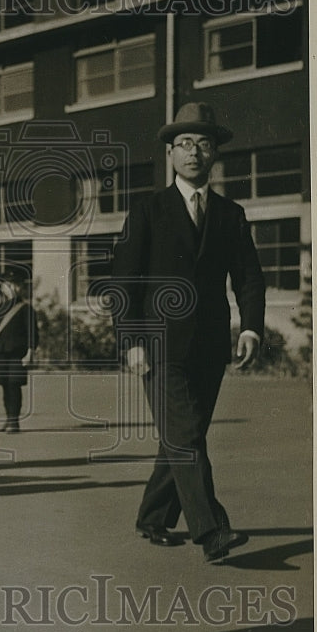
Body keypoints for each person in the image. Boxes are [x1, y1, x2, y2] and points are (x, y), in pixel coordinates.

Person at [110, 102, 265, 563]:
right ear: (171, 153)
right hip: (158, 346)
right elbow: (123, 284)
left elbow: (249, 276)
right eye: (184, 144)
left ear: (215, 153)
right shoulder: (148, 210)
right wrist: (132, 340)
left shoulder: (230, 214)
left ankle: (154, 517)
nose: (193, 152)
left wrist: (252, 328)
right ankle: (212, 530)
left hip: (210, 345)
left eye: (203, 143)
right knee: (184, 434)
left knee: (185, 433)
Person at [0, 268, 39, 433]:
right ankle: (8, 419)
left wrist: (30, 352)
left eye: (16, 285)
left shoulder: (26, 309)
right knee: (5, 386)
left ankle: (14, 421)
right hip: (1, 353)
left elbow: (33, 333)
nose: (12, 288)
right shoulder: (0, 308)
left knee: (14, 386)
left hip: (17, 354)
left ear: (20, 287)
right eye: (9, 285)